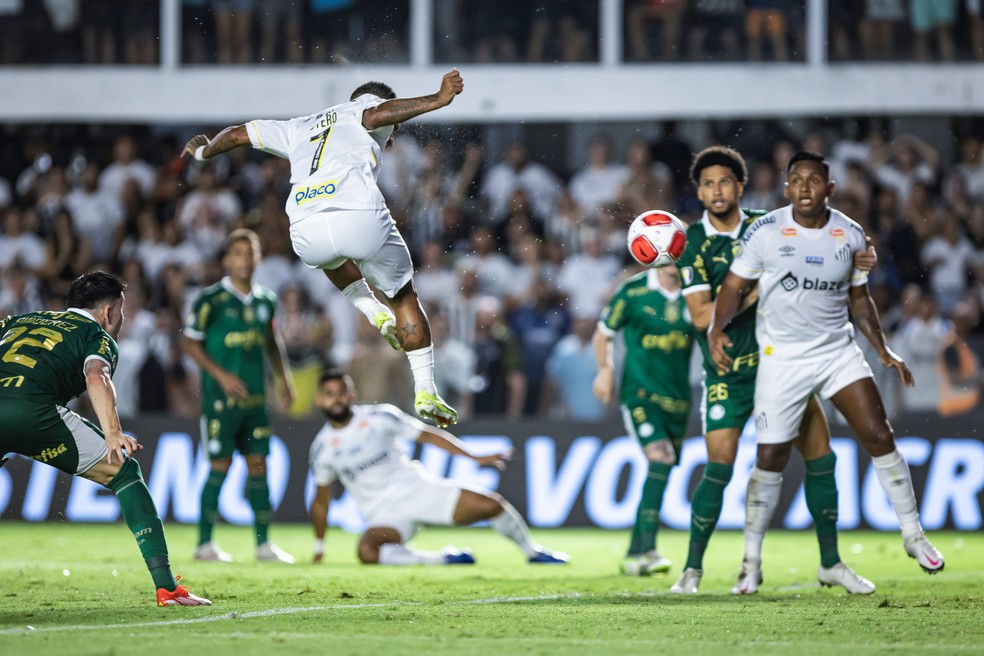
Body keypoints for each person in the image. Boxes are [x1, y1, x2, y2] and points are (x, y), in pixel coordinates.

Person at [709, 151, 945, 583]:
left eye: (813, 180)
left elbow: (860, 299)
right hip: (783, 359)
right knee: (771, 458)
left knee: (879, 434)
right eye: (795, 180)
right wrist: (715, 329)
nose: (803, 187)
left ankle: (914, 535)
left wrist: (884, 349)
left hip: (837, 352)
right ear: (786, 188)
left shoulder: (851, 235)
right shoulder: (765, 231)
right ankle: (751, 563)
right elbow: (733, 286)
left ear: (829, 188)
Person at [181, 69, 465, 428]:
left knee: (328, 250)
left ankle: (368, 307)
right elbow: (377, 114)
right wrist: (437, 100)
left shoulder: (297, 126)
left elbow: (238, 134)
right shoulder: (364, 110)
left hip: (304, 228)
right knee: (404, 295)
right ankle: (425, 389)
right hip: (358, 217)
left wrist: (205, 152)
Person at [673, 146, 878, 594]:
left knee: (821, 459)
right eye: (707, 183)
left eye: (725, 181)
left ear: (741, 187)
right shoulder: (690, 243)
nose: (717, 190)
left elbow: (829, 248)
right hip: (727, 371)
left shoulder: (768, 226)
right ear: (699, 192)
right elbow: (699, 315)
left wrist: (861, 258)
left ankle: (832, 563)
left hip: (783, 364)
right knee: (720, 468)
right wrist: (757, 286)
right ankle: (691, 570)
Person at [0, 271, 210, 607]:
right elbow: (96, 375)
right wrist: (112, 432)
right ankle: (166, 587)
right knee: (125, 474)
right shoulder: (96, 335)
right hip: (35, 410)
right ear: (109, 312)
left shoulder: (19, 320)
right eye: (121, 311)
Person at [308, 369, 569, 566]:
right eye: (330, 394)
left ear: (352, 394)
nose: (337, 399)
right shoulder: (322, 448)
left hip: (417, 489)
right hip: (383, 513)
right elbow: (322, 500)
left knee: (491, 505)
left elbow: (429, 435)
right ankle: (441, 559)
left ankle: (532, 552)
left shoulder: (381, 417)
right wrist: (319, 545)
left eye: (342, 392)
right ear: (320, 400)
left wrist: (473, 457)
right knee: (367, 552)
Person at [183, 229, 297, 564]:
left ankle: (264, 545)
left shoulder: (266, 301)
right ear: (226, 260)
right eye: (238, 253)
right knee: (220, 465)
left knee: (258, 466)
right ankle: (204, 544)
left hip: (255, 400)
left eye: (251, 253)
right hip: (220, 401)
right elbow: (190, 343)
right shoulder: (210, 300)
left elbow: (273, 343)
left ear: (258, 259)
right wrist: (221, 375)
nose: (245, 260)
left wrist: (284, 379)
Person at [592, 265, 694, 576]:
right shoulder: (633, 291)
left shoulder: (698, 289)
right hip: (640, 395)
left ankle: (633, 553)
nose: (669, 259)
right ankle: (648, 551)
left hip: (678, 399)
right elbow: (603, 334)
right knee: (661, 459)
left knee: (661, 468)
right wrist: (606, 370)